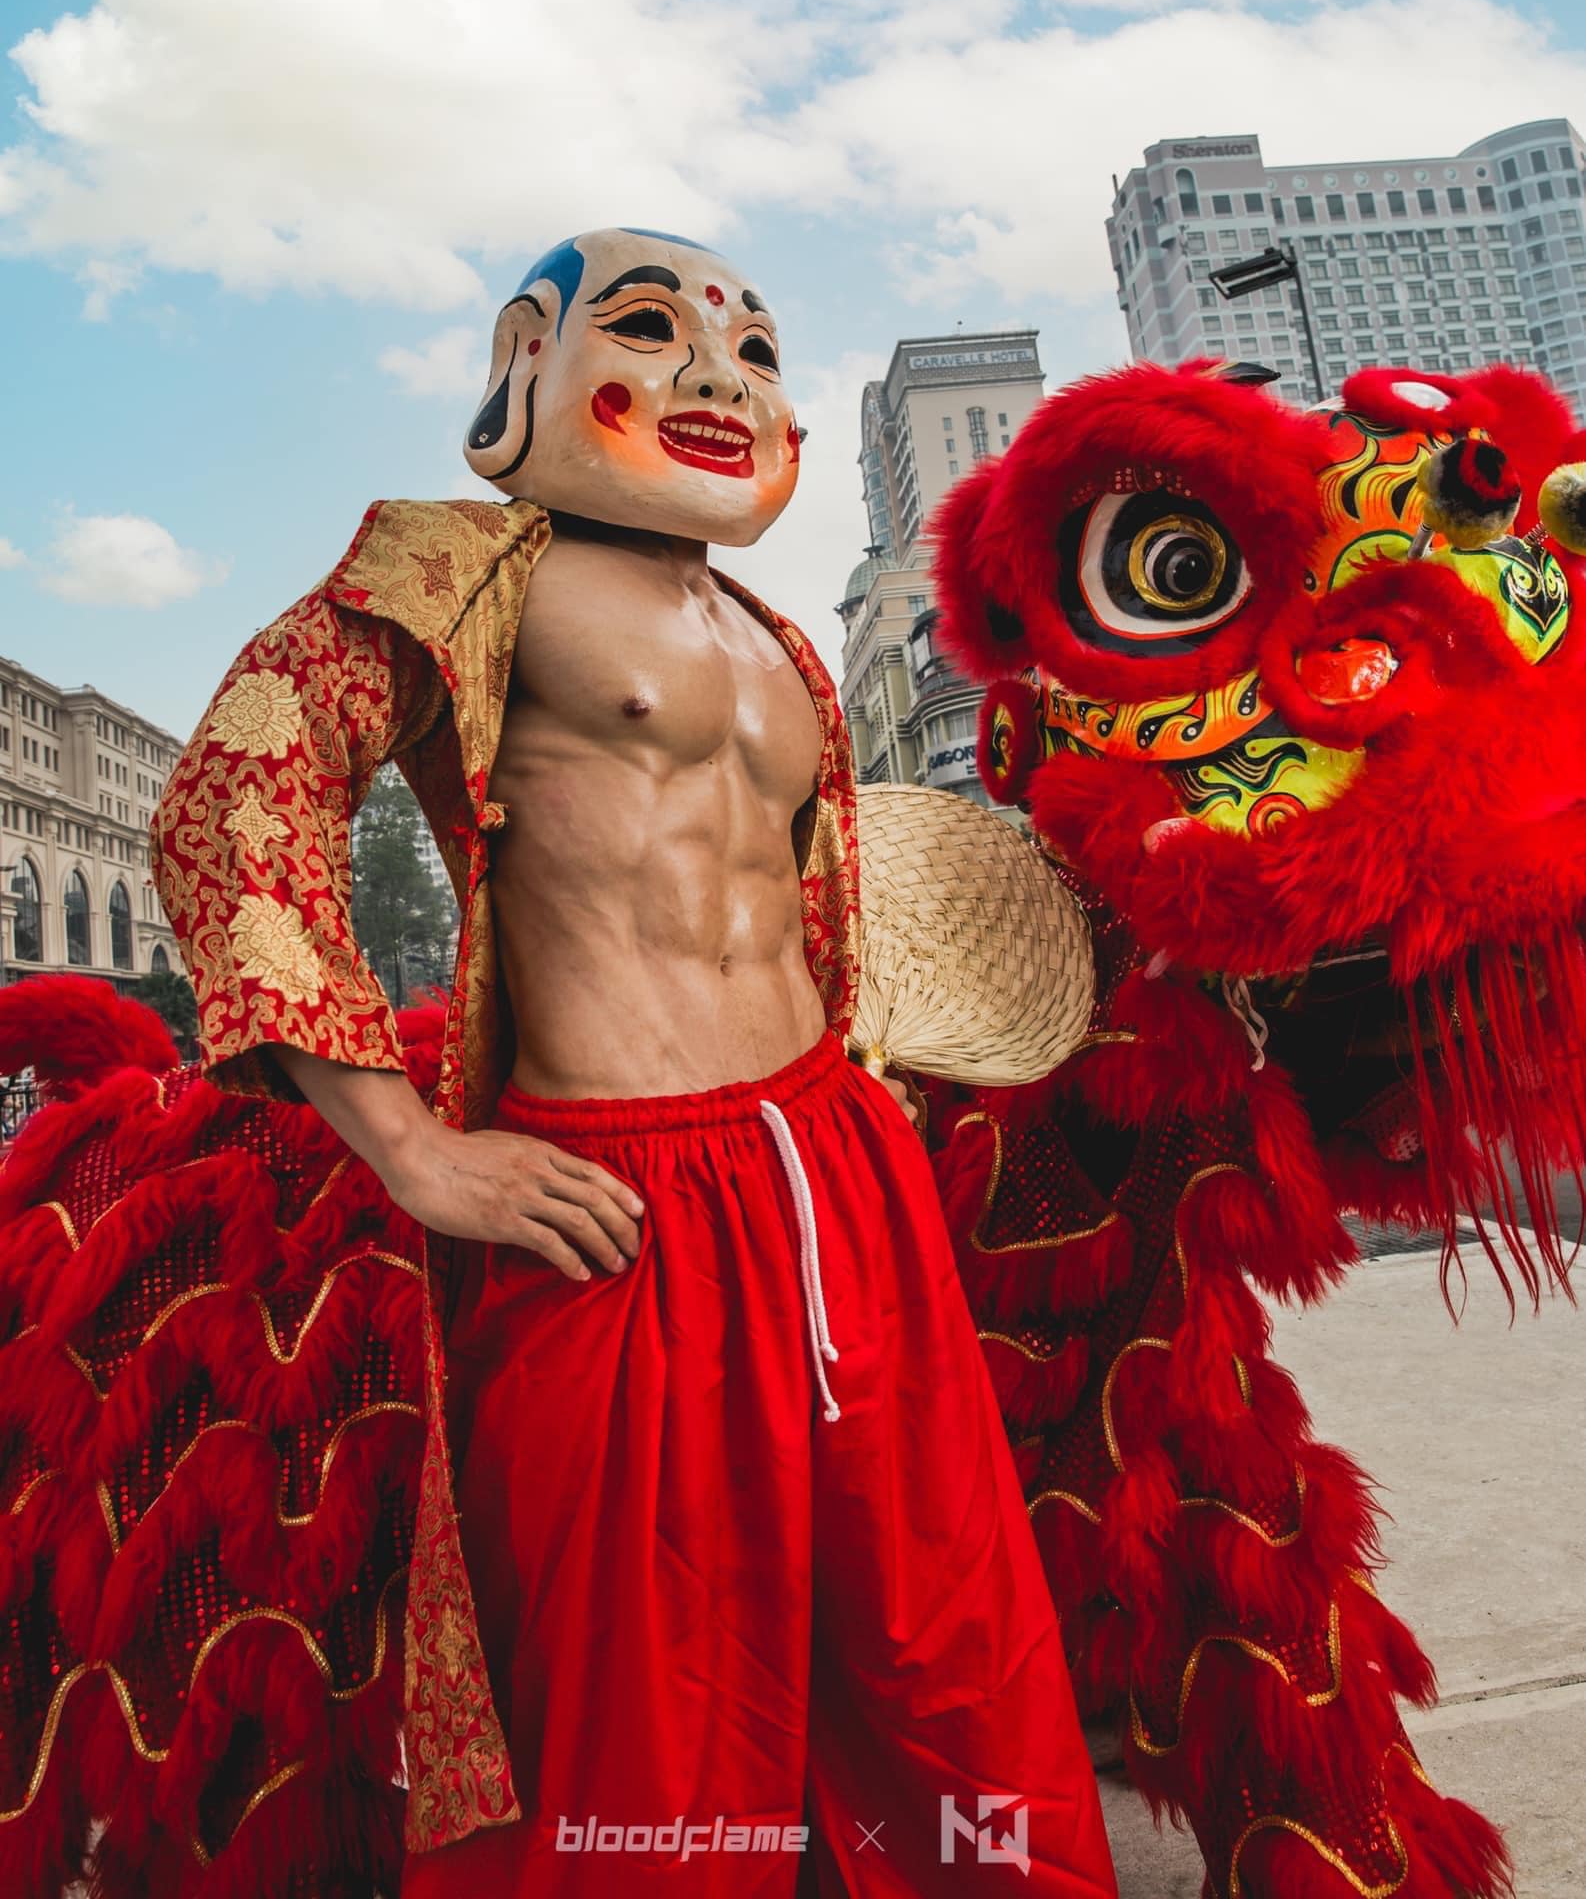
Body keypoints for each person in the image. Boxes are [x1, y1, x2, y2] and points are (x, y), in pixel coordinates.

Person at [152, 227, 1117, 1896]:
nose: (719, 375)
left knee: (944, 1639)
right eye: (656, 329)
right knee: (651, 1709)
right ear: (527, 360)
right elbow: (239, 794)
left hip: (841, 1166)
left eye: (751, 346)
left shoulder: (771, 634)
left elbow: (813, 894)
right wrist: (411, 1149)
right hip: (622, 1200)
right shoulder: (459, 572)